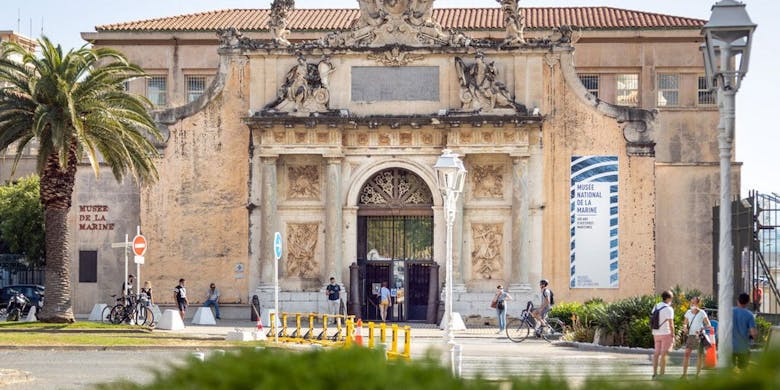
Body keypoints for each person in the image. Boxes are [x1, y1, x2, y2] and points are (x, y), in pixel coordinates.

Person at [681, 296, 711, 378]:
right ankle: (684, 375)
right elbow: (685, 323)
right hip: (691, 335)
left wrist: (702, 329)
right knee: (686, 354)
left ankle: (697, 375)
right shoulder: (688, 312)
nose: (691, 304)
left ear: (697, 304)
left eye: (693, 302)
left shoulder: (702, 312)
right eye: (691, 302)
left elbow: (708, 325)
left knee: (699, 355)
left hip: (699, 336)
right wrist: (685, 328)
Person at [651, 290, 675, 379]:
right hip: (666, 333)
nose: (672, 299)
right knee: (664, 354)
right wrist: (673, 334)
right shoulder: (669, 309)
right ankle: (662, 374)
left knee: (656, 353)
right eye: (671, 298)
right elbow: (671, 324)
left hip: (656, 333)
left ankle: (654, 373)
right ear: (668, 298)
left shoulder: (656, 306)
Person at [732, 292, 757, 369]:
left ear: (737, 301)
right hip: (743, 347)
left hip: (729, 346)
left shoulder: (729, 311)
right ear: (748, 302)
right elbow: (753, 333)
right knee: (743, 370)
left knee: (730, 370)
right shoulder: (749, 315)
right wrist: (752, 337)